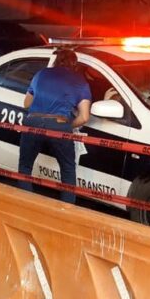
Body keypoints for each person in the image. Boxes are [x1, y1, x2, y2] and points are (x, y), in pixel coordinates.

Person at [17, 48, 92, 203]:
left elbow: (26, 103)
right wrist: (67, 125)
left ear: (56, 61)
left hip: (33, 122)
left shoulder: (41, 74)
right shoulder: (79, 81)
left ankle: (25, 205)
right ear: (74, 64)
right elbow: (84, 117)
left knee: (25, 167)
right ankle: (66, 210)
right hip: (59, 124)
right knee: (68, 170)